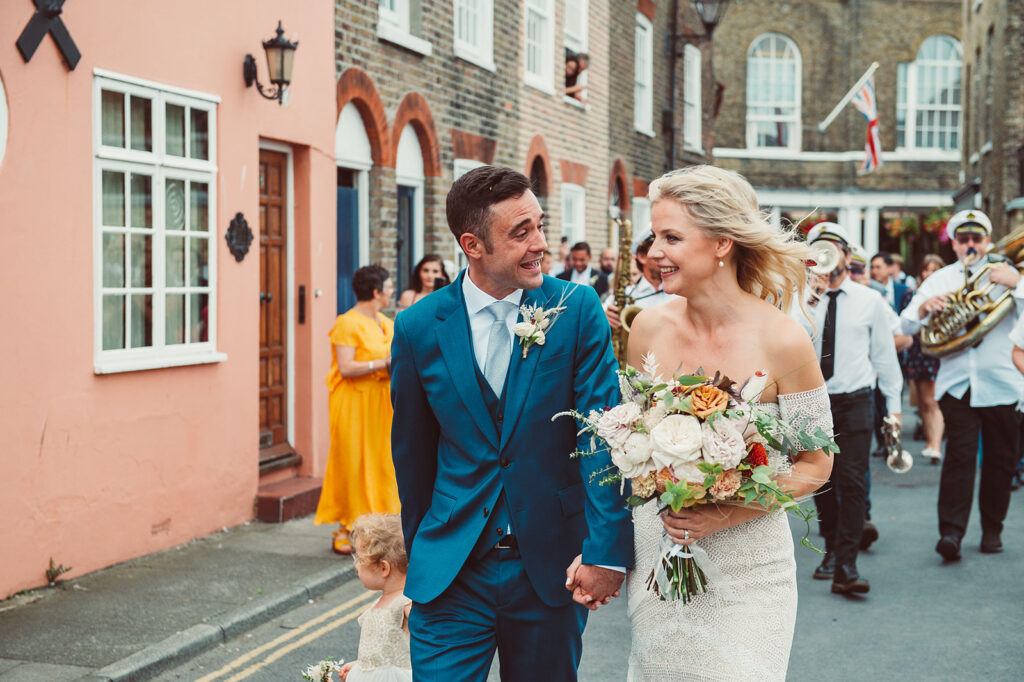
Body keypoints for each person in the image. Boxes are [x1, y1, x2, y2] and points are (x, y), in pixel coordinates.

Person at [390, 165, 632, 680]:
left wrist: (607, 551)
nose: (539, 243)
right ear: (472, 244)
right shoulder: (417, 327)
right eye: (520, 233)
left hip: (549, 569)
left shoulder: (576, 307)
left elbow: (600, 433)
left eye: (540, 226)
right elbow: (412, 456)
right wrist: (422, 567)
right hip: (452, 572)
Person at [621, 166, 833, 680]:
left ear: (721, 243)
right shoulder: (646, 326)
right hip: (659, 555)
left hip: (749, 566)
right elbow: (628, 439)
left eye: (672, 237)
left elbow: (817, 460)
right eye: (654, 237)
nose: (654, 253)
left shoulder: (784, 338)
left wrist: (728, 513)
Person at [900, 209, 1024, 560]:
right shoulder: (939, 279)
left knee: (1001, 460)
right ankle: (951, 533)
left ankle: (992, 531)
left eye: (977, 239)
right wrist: (924, 308)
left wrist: (1017, 285)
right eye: (963, 239)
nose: (970, 245)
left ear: (987, 241)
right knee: (960, 458)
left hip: (1003, 382)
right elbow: (906, 324)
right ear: (954, 244)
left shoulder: (1009, 274)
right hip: (957, 385)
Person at [798, 222, 902, 592]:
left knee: (853, 483)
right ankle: (830, 550)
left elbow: (885, 358)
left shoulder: (870, 300)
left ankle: (847, 565)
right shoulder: (799, 299)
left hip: (856, 399)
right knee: (822, 481)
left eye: (832, 249)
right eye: (817, 250)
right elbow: (790, 343)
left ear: (846, 254)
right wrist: (811, 298)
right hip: (813, 399)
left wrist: (893, 406)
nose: (826, 257)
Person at [315, 265, 399, 555]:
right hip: (353, 402)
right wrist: (381, 365)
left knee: (381, 464)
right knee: (352, 463)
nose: (391, 292)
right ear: (376, 292)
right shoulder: (347, 323)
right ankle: (346, 527)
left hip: (381, 401)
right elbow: (347, 367)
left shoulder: (386, 323)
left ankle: (379, 528)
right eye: (388, 288)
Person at [339, 513, 412, 682]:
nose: (356, 565)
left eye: (360, 559)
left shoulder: (405, 603)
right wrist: (360, 666)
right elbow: (380, 654)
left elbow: (427, 640)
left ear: (383, 568)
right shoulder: (380, 602)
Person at [901, 254, 946, 463]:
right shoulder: (911, 294)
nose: (929, 274)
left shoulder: (947, 294)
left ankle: (935, 445)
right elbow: (906, 324)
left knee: (932, 401)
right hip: (919, 352)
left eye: (935, 270)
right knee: (923, 404)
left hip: (938, 352)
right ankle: (930, 442)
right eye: (926, 269)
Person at [604, 230, 677, 330]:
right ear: (642, 256)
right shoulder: (624, 295)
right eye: (659, 251)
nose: (667, 256)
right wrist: (604, 320)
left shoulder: (683, 293)